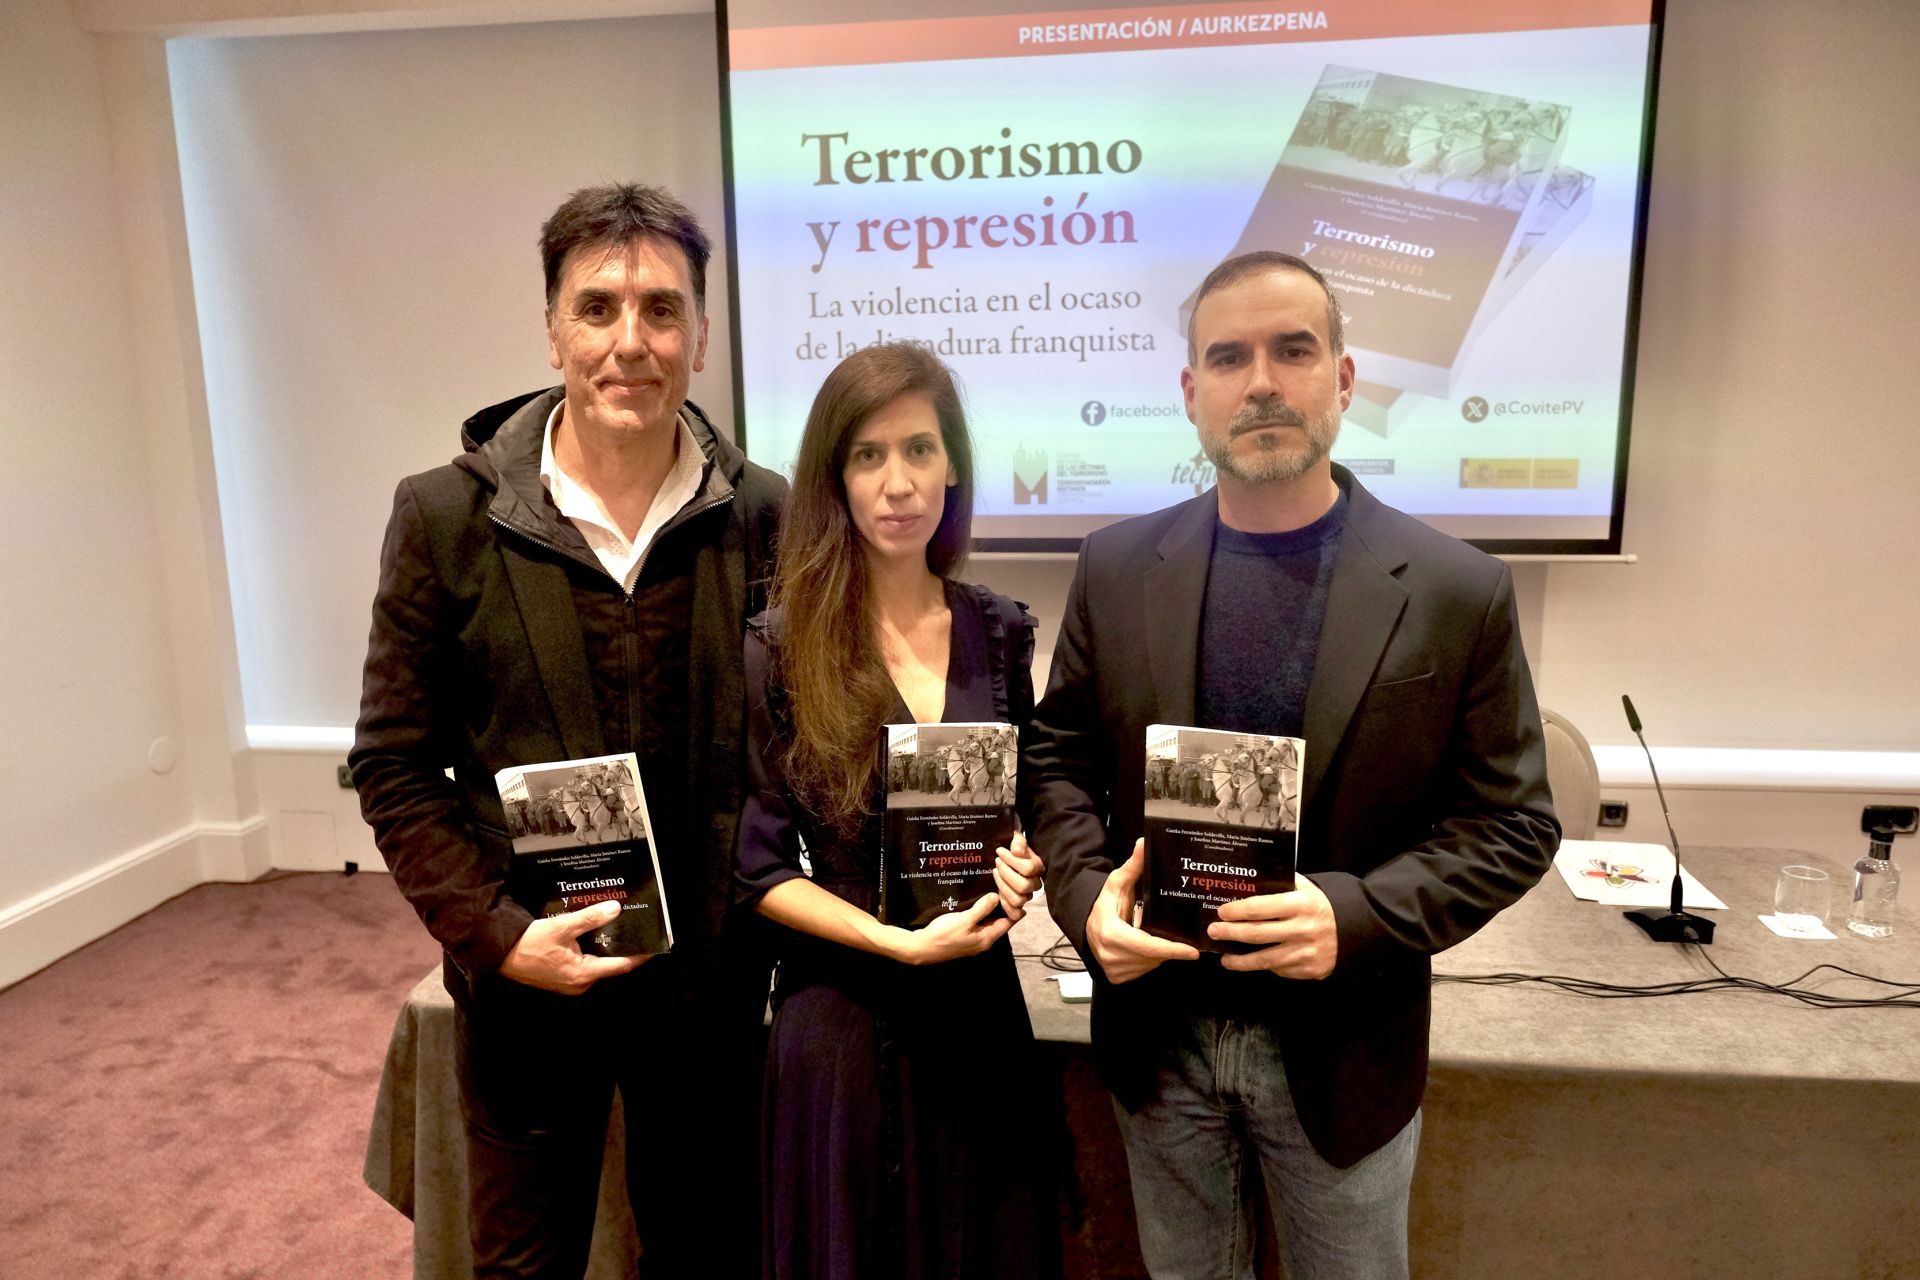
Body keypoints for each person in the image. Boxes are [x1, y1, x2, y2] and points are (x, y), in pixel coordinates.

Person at [1023, 250, 1559, 1279]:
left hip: (1345, 1046)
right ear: (1192, 393)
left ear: (1344, 380)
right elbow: (1057, 763)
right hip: (1159, 1038)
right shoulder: (1116, 567)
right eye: (1229, 358)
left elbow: (1513, 824)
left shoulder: (1456, 588)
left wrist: (1353, 915)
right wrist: (1086, 903)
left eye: (1293, 351)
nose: (1261, 382)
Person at [349, 183, 785, 1278]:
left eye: (661, 309)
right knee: (523, 1264)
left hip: (708, 994)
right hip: (529, 988)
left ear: (700, 334)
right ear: (553, 330)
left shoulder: (768, 515)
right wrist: (496, 936)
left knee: (708, 1254)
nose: (630, 341)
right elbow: (394, 766)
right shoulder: (445, 518)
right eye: (598, 308)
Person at [734, 342, 1056, 1280]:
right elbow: (758, 869)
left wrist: (1021, 862)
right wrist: (894, 944)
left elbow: (1022, 808)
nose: (899, 482)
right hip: (839, 1024)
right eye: (868, 456)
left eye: (919, 449)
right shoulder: (778, 647)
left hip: (978, 1011)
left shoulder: (1001, 630)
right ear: (835, 478)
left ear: (952, 464)